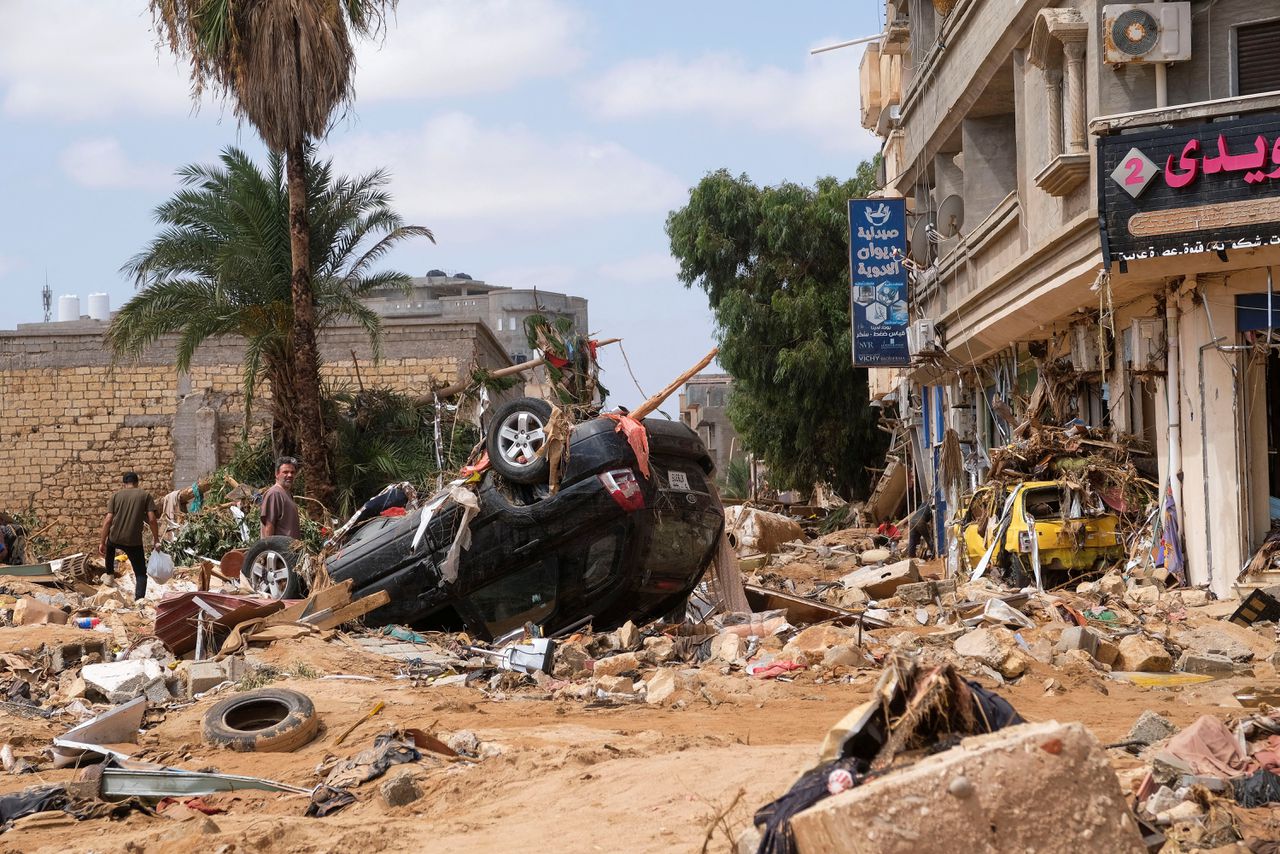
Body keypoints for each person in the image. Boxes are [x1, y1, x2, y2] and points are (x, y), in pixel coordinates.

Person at [99, 472, 160, 601]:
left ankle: (109, 575)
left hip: (115, 537)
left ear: (124, 484)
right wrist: (156, 539)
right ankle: (139, 600)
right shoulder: (145, 495)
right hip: (134, 541)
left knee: (110, 546)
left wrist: (102, 542)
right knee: (140, 573)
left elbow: (108, 520)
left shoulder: (115, 496)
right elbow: (152, 519)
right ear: (137, 483)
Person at [261, 457, 301, 540]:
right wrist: (269, 549)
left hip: (289, 549)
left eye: (292, 472)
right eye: (285, 472)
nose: (290, 475)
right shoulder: (275, 493)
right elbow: (269, 525)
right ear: (277, 474)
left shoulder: (287, 494)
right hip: (280, 550)